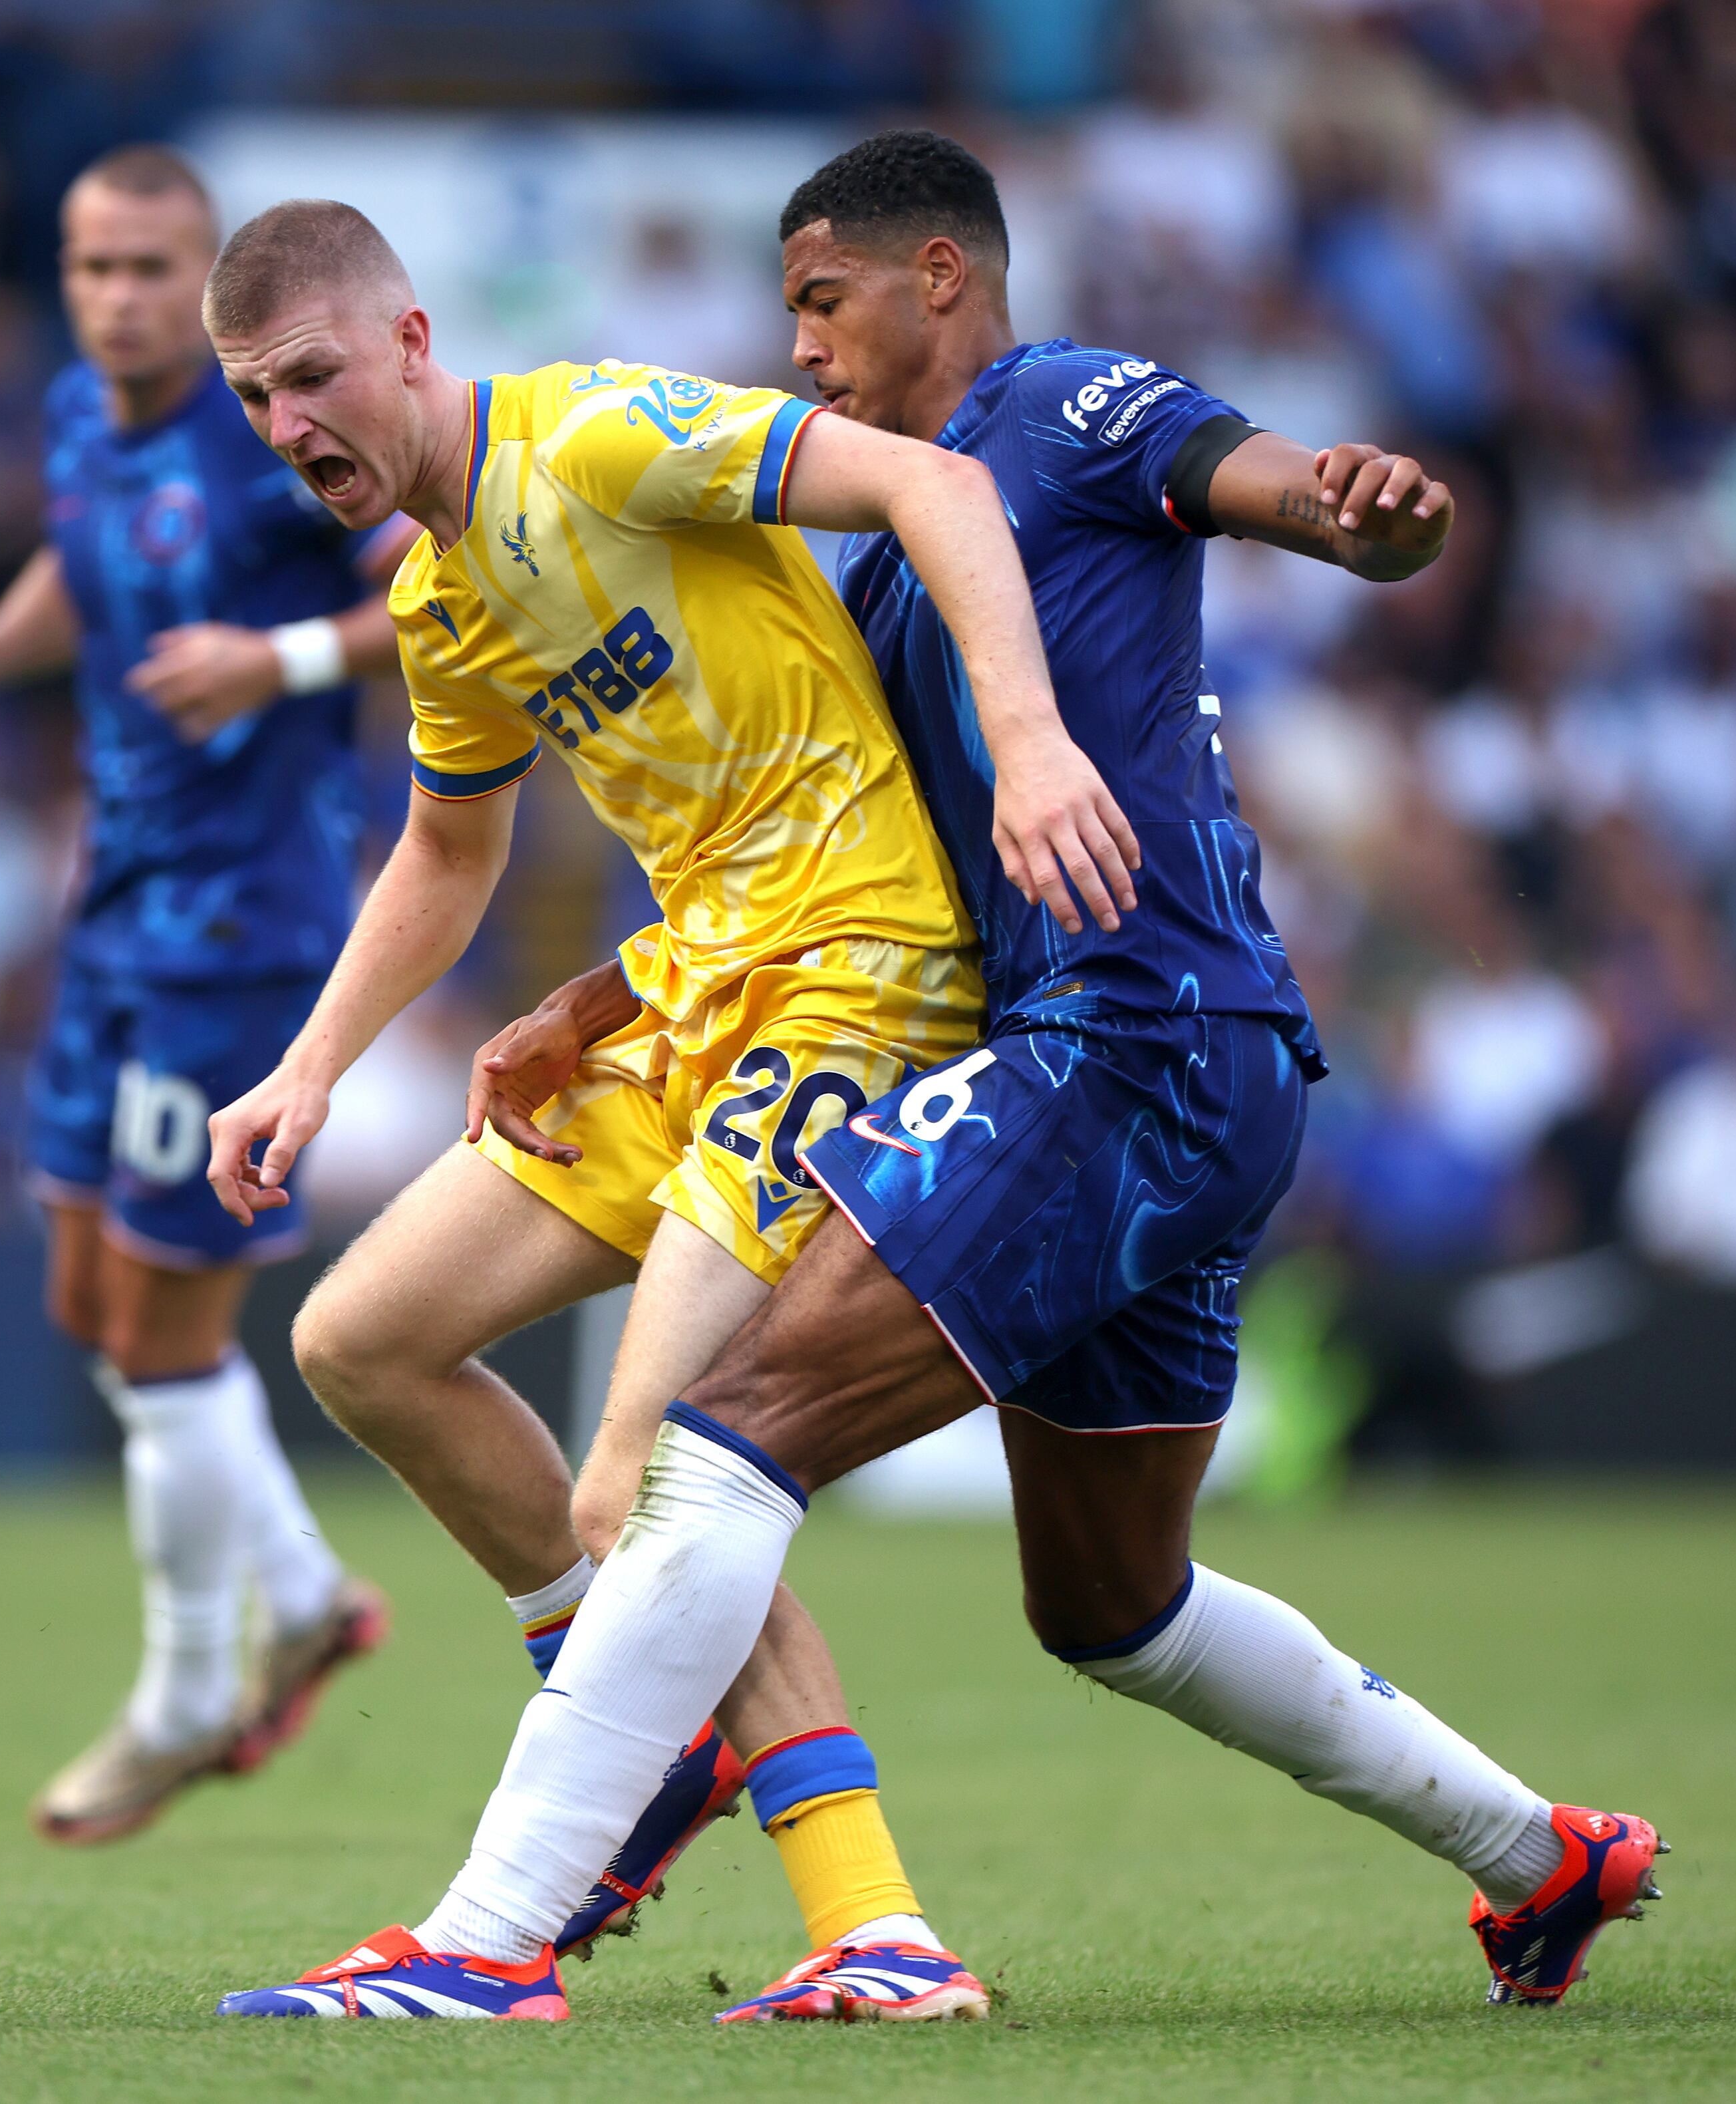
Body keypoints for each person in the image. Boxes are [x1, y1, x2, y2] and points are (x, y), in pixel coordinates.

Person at [229, 130, 1662, 2026]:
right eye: (250, 401)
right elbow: (799, 814)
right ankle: (1541, 1857)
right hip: (1103, 1057)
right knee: (1105, 1601)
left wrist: (1352, 515)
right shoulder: (874, 587)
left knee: (701, 1450)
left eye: (818, 301)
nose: (796, 348)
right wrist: (579, 996)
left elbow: (1254, 481)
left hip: (1120, 1036)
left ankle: (518, 1927)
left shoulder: (1049, 411)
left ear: (937, 276)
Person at [192, 195, 1130, 2021]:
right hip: (692, 995)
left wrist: (1028, 749)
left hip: (853, 971)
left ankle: (865, 1926)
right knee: (360, 1338)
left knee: (650, 1476)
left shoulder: (602, 432)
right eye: (248, 400)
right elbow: (446, 852)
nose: (288, 425)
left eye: (310, 376)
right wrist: (309, 1069)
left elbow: (938, 495)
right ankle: (646, 1724)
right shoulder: (439, 590)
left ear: (405, 342)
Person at [0, 147, 401, 1845]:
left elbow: (444, 575)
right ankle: (310, 1589)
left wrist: (288, 657)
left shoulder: (273, 442)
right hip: (112, 916)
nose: (116, 298)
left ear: (207, 281)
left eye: (149, 270)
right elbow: (81, 570)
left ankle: (190, 1689)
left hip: (242, 932)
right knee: (89, 1310)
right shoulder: (79, 420)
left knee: (167, 1333)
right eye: (91, 264)